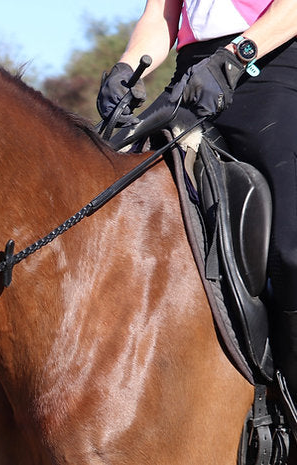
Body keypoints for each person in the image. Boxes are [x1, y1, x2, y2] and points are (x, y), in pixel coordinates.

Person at [97, 0, 297, 394]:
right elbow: (161, 16)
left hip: (267, 67)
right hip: (192, 80)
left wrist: (236, 56)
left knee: (291, 250)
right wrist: (127, 65)